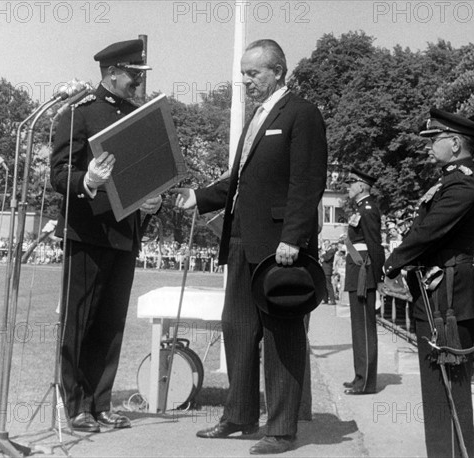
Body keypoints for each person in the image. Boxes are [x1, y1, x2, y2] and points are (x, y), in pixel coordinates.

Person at [171, 39, 327, 455]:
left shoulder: (302, 114)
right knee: (237, 329)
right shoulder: (255, 118)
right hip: (240, 240)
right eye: (243, 73)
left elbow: (307, 182)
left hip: (279, 247)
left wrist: (293, 238)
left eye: (253, 73)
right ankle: (238, 415)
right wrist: (199, 197)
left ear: (278, 71)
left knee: (281, 335)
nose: (245, 81)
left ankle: (281, 429)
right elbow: (236, 181)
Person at [50, 39, 162, 433]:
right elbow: (59, 175)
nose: (137, 82)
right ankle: (77, 406)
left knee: (111, 324)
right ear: (112, 72)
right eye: (133, 75)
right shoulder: (79, 113)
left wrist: (153, 203)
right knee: (80, 321)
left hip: (124, 234)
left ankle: (101, 403)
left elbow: (147, 176)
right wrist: (88, 180)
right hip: (87, 233)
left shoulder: (137, 117)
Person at [384, 107, 474, 458]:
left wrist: (395, 260)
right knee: (436, 385)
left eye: (436, 139)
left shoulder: (464, 183)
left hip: (449, 295)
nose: (429, 146)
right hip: (437, 290)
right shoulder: (450, 181)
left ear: (455, 143)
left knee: (451, 386)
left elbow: (430, 231)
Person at [342, 169, 384, 395]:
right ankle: (360, 376)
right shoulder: (361, 209)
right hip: (357, 271)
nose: (348, 188)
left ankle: (366, 382)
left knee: (365, 329)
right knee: (358, 328)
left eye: (351, 184)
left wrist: (378, 278)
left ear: (361, 186)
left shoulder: (368, 210)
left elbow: (375, 245)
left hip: (364, 273)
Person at [320, 239, 337, 305]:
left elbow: (327, 258)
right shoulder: (326, 251)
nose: (325, 245)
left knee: (328, 285)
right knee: (324, 285)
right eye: (324, 244)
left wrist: (324, 253)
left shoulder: (331, 251)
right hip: (323, 269)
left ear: (329, 244)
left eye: (326, 243)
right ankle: (325, 299)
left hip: (327, 270)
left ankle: (332, 300)